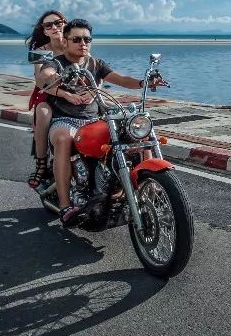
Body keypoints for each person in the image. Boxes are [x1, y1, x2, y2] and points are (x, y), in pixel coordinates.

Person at [37, 19, 159, 226]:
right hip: (64, 119)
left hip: (94, 120)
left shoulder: (96, 64)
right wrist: (57, 77)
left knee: (136, 133)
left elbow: (120, 79)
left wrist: (143, 82)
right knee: (63, 139)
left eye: (87, 39)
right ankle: (66, 206)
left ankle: (149, 188)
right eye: (76, 39)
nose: (82, 43)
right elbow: (46, 75)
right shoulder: (57, 63)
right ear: (65, 41)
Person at [24, 10, 70, 189]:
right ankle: (41, 163)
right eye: (48, 25)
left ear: (65, 23)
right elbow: (40, 81)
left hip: (76, 90)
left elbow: (92, 65)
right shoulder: (41, 51)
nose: (54, 27)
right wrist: (54, 78)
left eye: (58, 23)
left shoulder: (75, 44)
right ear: (44, 31)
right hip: (48, 92)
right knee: (42, 113)